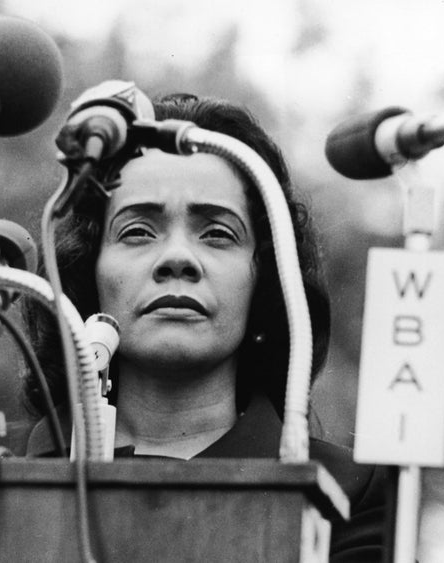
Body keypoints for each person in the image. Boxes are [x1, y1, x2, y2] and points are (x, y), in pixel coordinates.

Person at [22, 93, 388, 561]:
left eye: (218, 233)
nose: (177, 258)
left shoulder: (348, 491)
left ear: (267, 280)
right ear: (88, 270)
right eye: (137, 231)